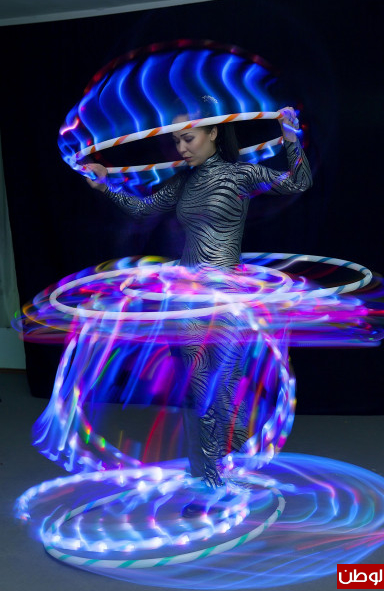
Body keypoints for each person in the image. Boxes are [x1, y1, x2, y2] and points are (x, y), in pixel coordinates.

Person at [83, 99, 312, 494]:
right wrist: (105, 184)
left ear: (213, 132)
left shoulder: (241, 174)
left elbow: (298, 182)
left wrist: (291, 140)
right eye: (176, 141)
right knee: (200, 388)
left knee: (229, 388)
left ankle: (225, 469)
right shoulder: (184, 182)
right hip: (188, 299)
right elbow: (142, 209)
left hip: (228, 296)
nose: (181, 148)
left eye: (188, 138)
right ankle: (207, 478)